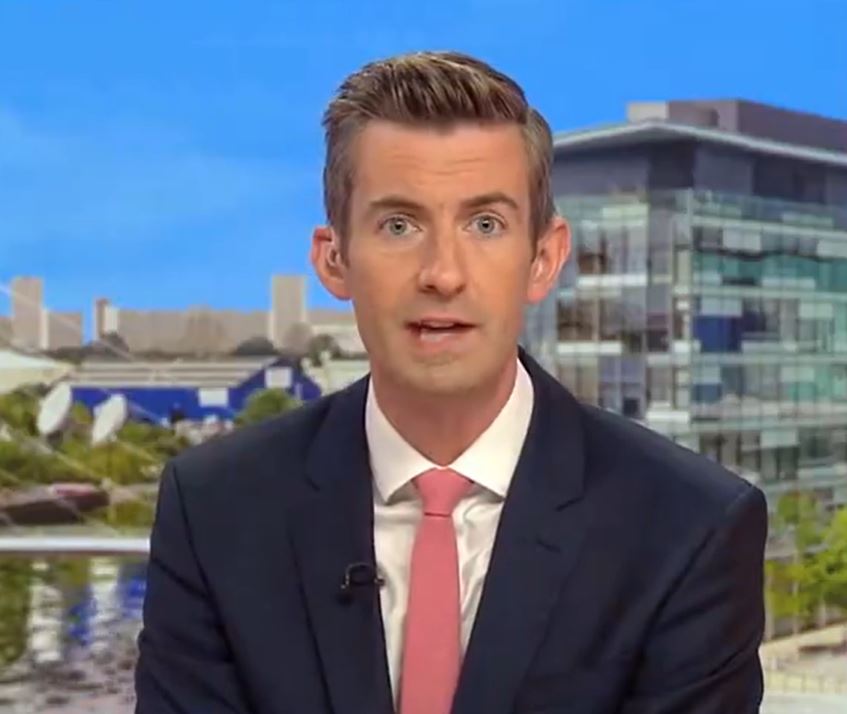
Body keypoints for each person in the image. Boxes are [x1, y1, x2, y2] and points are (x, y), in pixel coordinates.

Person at [135, 51, 768, 714]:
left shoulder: (687, 527)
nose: (442, 273)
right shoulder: (215, 507)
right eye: (399, 225)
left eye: (484, 225)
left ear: (542, 258)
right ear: (334, 259)